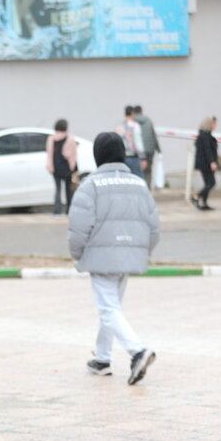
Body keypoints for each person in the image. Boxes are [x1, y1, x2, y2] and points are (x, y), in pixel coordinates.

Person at [68, 132, 159, 385]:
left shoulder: (90, 186)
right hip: (129, 257)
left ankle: (137, 351)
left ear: (98, 156)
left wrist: (78, 254)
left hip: (100, 258)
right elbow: (154, 226)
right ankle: (103, 358)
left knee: (108, 309)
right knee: (112, 309)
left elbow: (78, 228)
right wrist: (142, 251)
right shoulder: (140, 185)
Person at [45, 119, 78, 215]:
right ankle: (69, 210)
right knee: (69, 190)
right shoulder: (70, 138)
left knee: (58, 190)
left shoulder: (51, 139)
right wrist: (74, 168)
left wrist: (50, 166)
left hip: (55, 168)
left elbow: (49, 154)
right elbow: (73, 155)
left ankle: (57, 211)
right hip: (67, 168)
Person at [193, 116, 218, 211]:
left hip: (205, 163)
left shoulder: (204, 135)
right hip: (206, 164)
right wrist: (212, 162)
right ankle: (196, 196)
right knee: (211, 183)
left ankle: (204, 203)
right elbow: (208, 151)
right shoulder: (205, 136)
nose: (215, 126)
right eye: (214, 124)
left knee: (208, 183)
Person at [114, 106, 146, 179]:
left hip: (121, 158)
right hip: (133, 157)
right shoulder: (135, 126)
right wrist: (143, 158)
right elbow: (138, 143)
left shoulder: (119, 126)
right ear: (132, 114)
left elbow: (116, 142)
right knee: (138, 180)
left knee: (124, 179)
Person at [133, 105, 161, 188]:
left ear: (134, 113)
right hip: (149, 150)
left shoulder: (132, 122)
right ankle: (147, 189)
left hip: (138, 151)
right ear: (141, 111)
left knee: (137, 171)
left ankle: (139, 189)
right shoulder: (148, 120)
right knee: (148, 171)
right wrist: (158, 149)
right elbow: (153, 136)